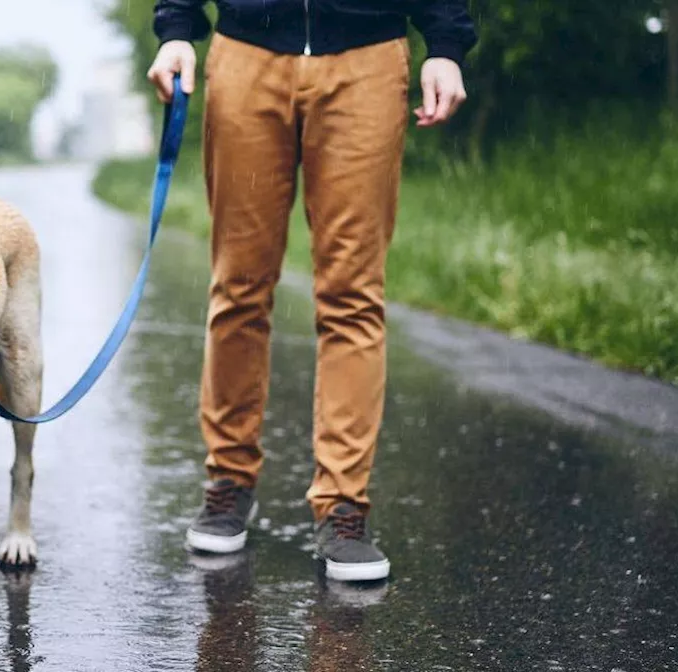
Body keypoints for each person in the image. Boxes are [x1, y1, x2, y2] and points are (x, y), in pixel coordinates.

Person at [146, 1, 477, 581]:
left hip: (367, 58)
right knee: (239, 286)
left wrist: (446, 43)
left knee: (353, 294)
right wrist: (176, 28)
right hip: (246, 53)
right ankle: (227, 482)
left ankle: (344, 504)